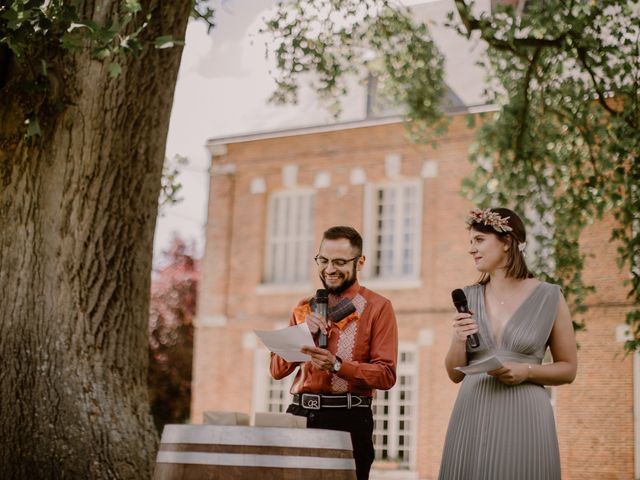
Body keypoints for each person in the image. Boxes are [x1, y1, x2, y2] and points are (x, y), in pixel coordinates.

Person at [438, 207, 578, 480]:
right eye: (470, 241)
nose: (471, 249)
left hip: (525, 414)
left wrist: (527, 371)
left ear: (506, 242)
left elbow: (569, 369)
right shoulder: (468, 296)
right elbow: (454, 374)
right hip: (472, 410)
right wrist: (458, 338)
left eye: (479, 240)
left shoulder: (549, 296)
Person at [270, 225, 398, 480]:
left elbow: (386, 375)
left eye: (339, 262)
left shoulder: (378, 307)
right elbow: (276, 370)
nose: (329, 269)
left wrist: (339, 366)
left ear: (359, 262)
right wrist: (303, 333)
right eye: (324, 260)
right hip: (298, 415)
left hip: (349, 420)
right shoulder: (304, 306)